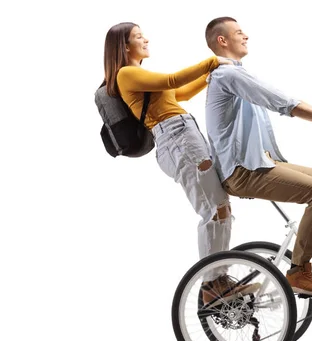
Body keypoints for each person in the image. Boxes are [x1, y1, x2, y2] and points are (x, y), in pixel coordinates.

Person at [203, 17, 312, 297]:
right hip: (242, 171)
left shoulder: (237, 74)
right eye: (239, 32)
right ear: (221, 40)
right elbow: (283, 103)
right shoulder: (228, 75)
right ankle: (299, 271)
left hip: (260, 163)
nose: (246, 36)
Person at [102, 22, 259, 305]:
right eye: (139, 37)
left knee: (221, 209)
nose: (146, 39)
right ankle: (212, 284)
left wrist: (211, 75)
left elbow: (181, 94)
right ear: (125, 47)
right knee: (212, 211)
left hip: (184, 135)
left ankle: (218, 279)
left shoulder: (140, 75)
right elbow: (174, 80)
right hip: (177, 140)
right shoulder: (126, 74)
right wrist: (212, 61)